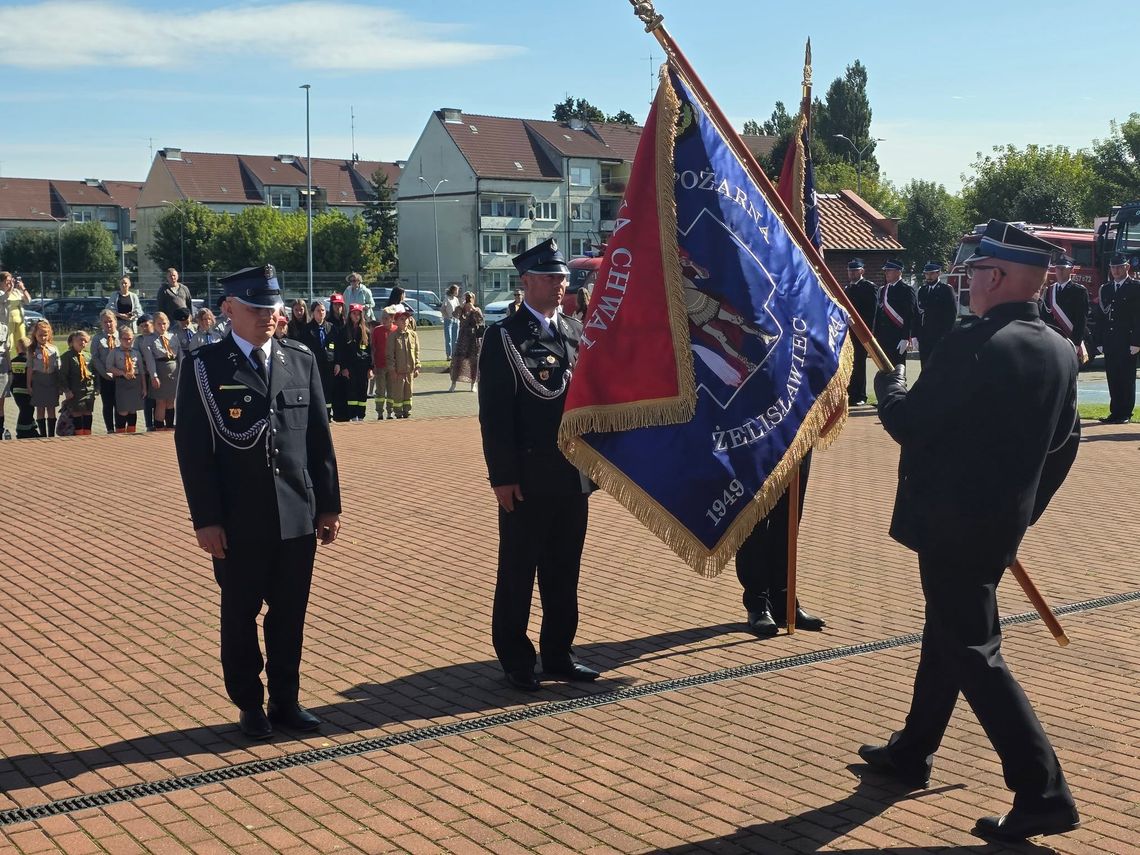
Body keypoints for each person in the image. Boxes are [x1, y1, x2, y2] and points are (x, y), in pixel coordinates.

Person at [861, 220, 1081, 841]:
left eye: (978, 273)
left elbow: (914, 425)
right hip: (995, 526)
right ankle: (912, 751)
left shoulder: (972, 343)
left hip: (951, 524)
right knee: (950, 634)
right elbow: (1065, 445)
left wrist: (888, 390)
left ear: (1003, 278)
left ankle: (1042, 792)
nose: (970, 282)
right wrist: (1023, 509)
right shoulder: (1059, 349)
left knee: (975, 651)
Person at [174, 263, 341, 740]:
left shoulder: (299, 359)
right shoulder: (205, 367)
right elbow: (193, 451)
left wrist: (328, 505)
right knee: (240, 615)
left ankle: (286, 699)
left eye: (272, 307)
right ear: (228, 309)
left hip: (296, 514)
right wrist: (206, 520)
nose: (268, 315)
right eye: (256, 307)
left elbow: (318, 439)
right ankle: (249, 703)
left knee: (290, 614)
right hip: (238, 519)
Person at [478, 238, 598, 691]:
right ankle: (516, 659)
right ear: (526, 281)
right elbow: (495, 415)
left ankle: (559, 654)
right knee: (518, 571)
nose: (560, 283)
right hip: (526, 479)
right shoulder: (504, 337)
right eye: (550, 276)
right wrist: (503, 477)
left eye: (562, 276)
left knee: (564, 571)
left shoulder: (572, 330)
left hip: (571, 476)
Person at [734, 452, 824, 636]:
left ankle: (784, 601)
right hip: (756, 435)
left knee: (789, 521)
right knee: (754, 522)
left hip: (796, 432)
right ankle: (757, 604)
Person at [1091, 253, 1140, 424]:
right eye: (1113, 267)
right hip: (1111, 340)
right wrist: (1098, 341)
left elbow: (1138, 317)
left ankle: (1125, 412)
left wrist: (1136, 341)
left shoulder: (1136, 287)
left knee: (1126, 377)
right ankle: (1115, 411)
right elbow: (1101, 317)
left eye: (1120, 267)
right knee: (1113, 376)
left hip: (1127, 340)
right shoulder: (1106, 288)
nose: (1116, 270)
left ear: (1127, 267)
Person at [1039, 255, 1089, 363]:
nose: (1060, 271)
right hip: (1053, 339)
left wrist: (1076, 343)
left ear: (1071, 270)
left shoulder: (1079, 291)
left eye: (1063, 268)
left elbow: (1081, 319)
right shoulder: (1050, 291)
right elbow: (1045, 316)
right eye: (1057, 268)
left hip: (1070, 339)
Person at [843, 259, 876, 405]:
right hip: (849, 332)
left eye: (855, 271)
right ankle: (851, 392)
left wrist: (869, 332)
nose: (852, 273)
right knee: (850, 362)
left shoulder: (869, 287)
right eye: (850, 271)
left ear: (862, 271)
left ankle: (861, 395)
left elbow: (872, 312)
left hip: (862, 331)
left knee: (860, 363)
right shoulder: (847, 289)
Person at [914, 261, 957, 368]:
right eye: (927, 274)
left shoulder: (946, 289)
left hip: (939, 335)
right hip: (924, 336)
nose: (929, 276)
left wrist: (946, 336)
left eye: (932, 273)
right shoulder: (922, 291)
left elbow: (951, 314)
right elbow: (918, 314)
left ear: (938, 273)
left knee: (939, 367)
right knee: (925, 366)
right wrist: (915, 335)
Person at [873, 258, 914, 368]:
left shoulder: (906, 289)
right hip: (883, 336)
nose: (886, 273)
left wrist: (906, 338)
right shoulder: (883, 290)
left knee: (897, 369)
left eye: (889, 270)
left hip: (898, 336)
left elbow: (909, 315)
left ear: (899, 272)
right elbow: (879, 314)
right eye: (885, 271)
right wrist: (875, 335)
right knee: (884, 369)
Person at [334, 303, 371, 422]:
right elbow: (340, 351)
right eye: (354, 314)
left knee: (362, 393)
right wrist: (343, 368)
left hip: (363, 368)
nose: (356, 316)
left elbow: (370, 352)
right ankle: (352, 416)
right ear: (349, 315)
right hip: (350, 369)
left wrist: (371, 368)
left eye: (358, 314)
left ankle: (361, 416)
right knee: (352, 394)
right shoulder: (343, 331)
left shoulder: (366, 332)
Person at [142, 311, 179, 430]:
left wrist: (182, 372)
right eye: (159, 324)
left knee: (170, 401)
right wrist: (154, 375)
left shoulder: (173, 337)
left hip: (174, 372)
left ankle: (169, 426)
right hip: (160, 371)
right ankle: (159, 427)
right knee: (160, 402)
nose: (162, 326)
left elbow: (180, 356)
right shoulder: (149, 339)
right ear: (154, 324)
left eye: (164, 323)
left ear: (168, 324)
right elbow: (149, 359)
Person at [302, 301, 336, 421]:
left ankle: (327, 415)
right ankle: (316, 415)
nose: (321, 313)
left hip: (329, 364)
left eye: (322, 310)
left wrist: (337, 363)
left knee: (328, 390)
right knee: (315, 390)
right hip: (314, 365)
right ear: (312, 313)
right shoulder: (306, 329)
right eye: (318, 310)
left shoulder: (331, 327)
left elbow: (337, 346)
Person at [107, 326, 145, 433]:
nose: (128, 341)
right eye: (125, 339)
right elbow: (109, 366)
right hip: (122, 382)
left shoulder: (136, 352)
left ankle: (132, 431)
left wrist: (144, 388)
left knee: (133, 409)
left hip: (135, 382)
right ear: (119, 339)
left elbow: (141, 370)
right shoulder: (115, 352)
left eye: (130, 339)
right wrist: (122, 373)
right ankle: (120, 432)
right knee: (123, 410)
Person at [27, 320, 61, 437]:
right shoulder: (32, 350)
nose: (43, 337)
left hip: (52, 381)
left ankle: (51, 434)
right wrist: (29, 385)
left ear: (49, 335)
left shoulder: (54, 348)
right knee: (40, 408)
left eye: (45, 335)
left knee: (51, 408)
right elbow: (30, 369)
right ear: (35, 335)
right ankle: (42, 434)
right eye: (40, 335)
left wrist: (60, 385)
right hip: (38, 381)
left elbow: (58, 368)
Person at [385, 306, 420, 418]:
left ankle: (407, 411)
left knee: (408, 393)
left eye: (406, 319)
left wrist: (417, 366)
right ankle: (398, 412)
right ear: (396, 321)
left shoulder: (413, 335)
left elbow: (417, 352)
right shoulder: (393, 336)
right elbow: (390, 355)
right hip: (398, 372)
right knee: (398, 395)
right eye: (402, 319)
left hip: (409, 371)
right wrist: (392, 370)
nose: (405, 321)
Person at [59, 330, 96, 436]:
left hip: (88, 390)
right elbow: (63, 375)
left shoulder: (88, 356)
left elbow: (94, 373)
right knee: (77, 413)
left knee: (88, 412)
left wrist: (96, 388)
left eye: (85, 341)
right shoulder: (67, 357)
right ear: (72, 342)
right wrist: (66, 390)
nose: (83, 343)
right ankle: (79, 435)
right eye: (80, 340)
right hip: (75, 390)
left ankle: (87, 434)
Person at [91, 310, 119, 434]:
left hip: (120, 376)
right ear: (101, 324)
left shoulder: (122, 336)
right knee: (108, 404)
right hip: (105, 376)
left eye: (110, 321)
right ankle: (109, 429)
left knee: (120, 403)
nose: (108, 324)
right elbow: (95, 358)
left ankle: (120, 427)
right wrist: (104, 373)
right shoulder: (97, 339)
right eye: (105, 322)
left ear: (115, 322)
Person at [449, 292, 483, 392]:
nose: (468, 300)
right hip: (462, 338)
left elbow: (480, 320)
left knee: (474, 361)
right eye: (466, 298)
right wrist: (461, 306)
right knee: (457, 361)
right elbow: (455, 315)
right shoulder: (461, 309)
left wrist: (474, 309)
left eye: (470, 298)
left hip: (473, 339)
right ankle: (453, 383)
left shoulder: (476, 309)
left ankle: (473, 384)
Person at [371, 305, 397, 419]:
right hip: (380, 365)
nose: (384, 320)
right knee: (380, 391)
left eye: (386, 318)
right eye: (382, 317)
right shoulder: (377, 330)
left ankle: (390, 412)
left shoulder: (396, 330)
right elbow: (373, 348)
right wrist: (373, 364)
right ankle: (380, 412)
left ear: (392, 318)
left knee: (391, 391)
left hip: (392, 367)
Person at [9, 336, 37, 438]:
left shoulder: (12, 361)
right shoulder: (29, 361)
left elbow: (10, 377)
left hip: (16, 391)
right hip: (28, 390)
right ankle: (22, 431)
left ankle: (31, 428)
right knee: (27, 410)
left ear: (17, 348)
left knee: (25, 409)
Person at [136, 314, 157, 431]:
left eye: (146, 325)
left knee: (159, 399)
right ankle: (149, 424)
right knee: (148, 400)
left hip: (159, 372)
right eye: (141, 326)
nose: (144, 328)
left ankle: (159, 422)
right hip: (146, 374)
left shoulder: (157, 337)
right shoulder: (138, 340)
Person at [2, 272, 31, 357]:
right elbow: (4, 299)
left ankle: (24, 363)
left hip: (20, 322)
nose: (10, 283)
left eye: (11, 280)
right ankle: (7, 365)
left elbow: (28, 301)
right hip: (7, 323)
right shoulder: (1, 293)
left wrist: (22, 288)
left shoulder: (16, 292)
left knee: (23, 344)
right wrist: (10, 288)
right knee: (8, 344)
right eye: (7, 281)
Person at [441, 284, 461, 361]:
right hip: (448, 320)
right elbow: (442, 309)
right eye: (457, 290)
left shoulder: (456, 299)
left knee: (455, 339)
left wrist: (459, 316)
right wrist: (447, 316)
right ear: (453, 290)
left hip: (456, 320)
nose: (458, 292)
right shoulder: (447, 298)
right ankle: (448, 355)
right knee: (448, 338)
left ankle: (454, 354)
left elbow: (458, 308)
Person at [0, 312, 9, 439]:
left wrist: (11, 370)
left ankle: (0, 431)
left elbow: (7, 349)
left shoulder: (4, 327)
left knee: (1, 403)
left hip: (2, 365)